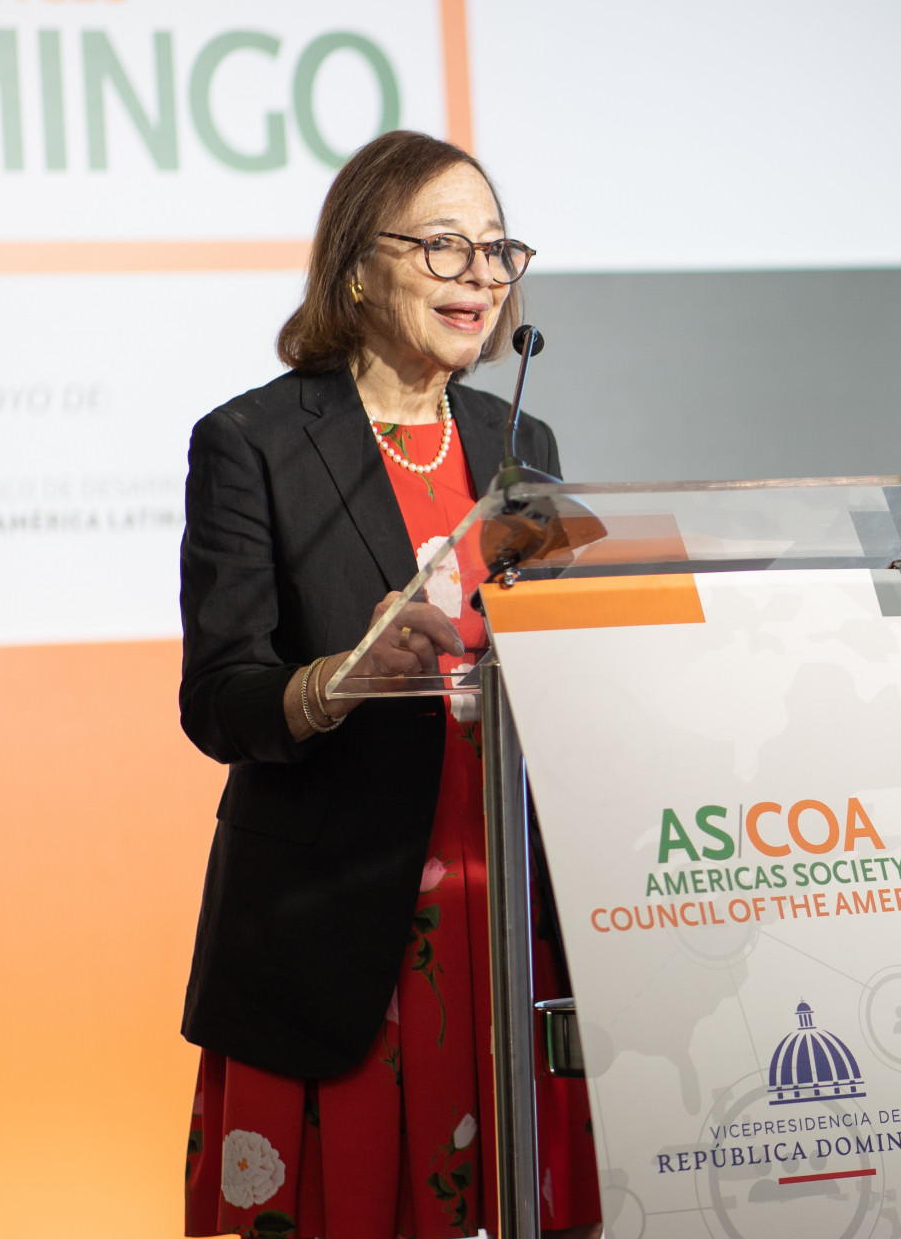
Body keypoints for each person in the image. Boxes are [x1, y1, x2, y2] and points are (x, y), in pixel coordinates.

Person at [177, 129, 603, 1239]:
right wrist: (341, 678)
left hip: (502, 911)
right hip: (339, 927)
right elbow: (218, 698)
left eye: (497, 249)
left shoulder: (519, 438)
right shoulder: (253, 442)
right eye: (445, 245)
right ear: (360, 265)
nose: (481, 276)